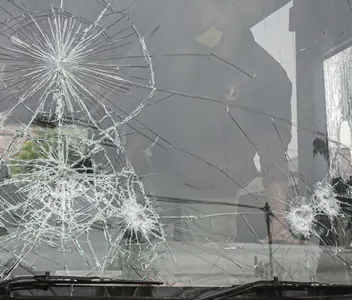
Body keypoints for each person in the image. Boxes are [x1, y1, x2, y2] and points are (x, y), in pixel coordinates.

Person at [125, 0, 295, 244]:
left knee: (204, 275)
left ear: (231, 9)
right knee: (124, 255)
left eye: (200, 5)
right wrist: (127, 161)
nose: (191, 11)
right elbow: (152, 113)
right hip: (162, 182)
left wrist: (278, 220)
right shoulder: (181, 57)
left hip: (213, 196)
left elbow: (273, 152)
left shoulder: (266, 74)